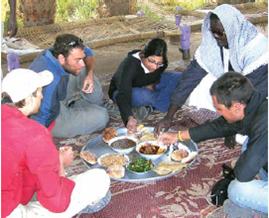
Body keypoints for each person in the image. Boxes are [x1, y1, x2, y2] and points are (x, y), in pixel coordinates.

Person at [1, 68, 111, 218]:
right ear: (28, 99)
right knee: (99, 178)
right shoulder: (34, 134)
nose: (41, 96)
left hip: (9, 192)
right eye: (39, 92)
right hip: (8, 211)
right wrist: (59, 163)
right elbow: (57, 203)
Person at [158, 72, 267, 215]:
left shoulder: (265, 124)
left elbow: (243, 175)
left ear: (237, 107)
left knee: (237, 190)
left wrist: (234, 174)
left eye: (220, 109)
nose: (218, 113)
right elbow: (220, 126)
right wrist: (177, 136)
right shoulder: (254, 104)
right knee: (249, 145)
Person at [155, 4, 268, 134]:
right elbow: (189, 78)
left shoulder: (257, 49)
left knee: (252, 127)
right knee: (201, 85)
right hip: (234, 90)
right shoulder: (215, 44)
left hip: (258, 94)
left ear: (233, 29)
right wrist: (168, 117)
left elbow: (246, 94)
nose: (216, 37)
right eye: (213, 32)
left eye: (220, 33)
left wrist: (227, 129)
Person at [29, 33, 109, 138]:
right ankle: (75, 107)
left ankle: (76, 104)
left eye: (82, 58)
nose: (82, 63)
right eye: (77, 60)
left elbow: (88, 53)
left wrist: (89, 75)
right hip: (53, 117)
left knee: (83, 70)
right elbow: (40, 121)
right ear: (61, 59)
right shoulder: (49, 81)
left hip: (59, 93)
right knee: (102, 116)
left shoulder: (58, 51)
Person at [108, 38, 181, 132]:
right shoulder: (129, 65)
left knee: (179, 77)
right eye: (151, 61)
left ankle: (153, 103)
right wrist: (128, 118)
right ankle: (162, 102)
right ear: (143, 55)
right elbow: (123, 94)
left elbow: (159, 72)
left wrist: (152, 84)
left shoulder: (162, 63)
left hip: (148, 84)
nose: (155, 67)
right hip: (125, 90)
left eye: (159, 63)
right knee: (139, 95)